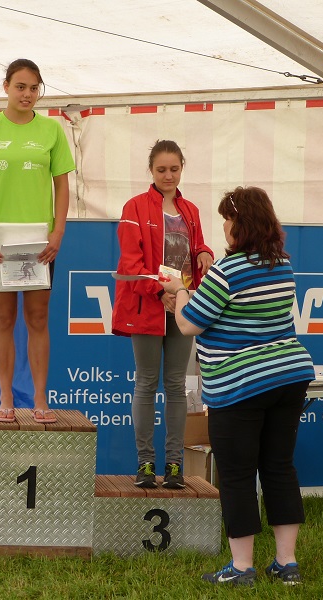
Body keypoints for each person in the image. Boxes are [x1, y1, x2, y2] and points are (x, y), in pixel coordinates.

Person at [161, 186, 315, 586]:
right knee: (280, 468)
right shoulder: (282, 264)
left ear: (239, 224)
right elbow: (243, 313)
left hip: (241, 384)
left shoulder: (226, 271)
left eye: (228, 218)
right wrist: (193, 299)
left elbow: (188, 323)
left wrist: (178, 293)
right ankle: (287, 563)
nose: (225, 225)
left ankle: (241, 568)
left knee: (237, 474)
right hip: (290, 375)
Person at [0, 58, 76, 424]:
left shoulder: (52, 131)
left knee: (38, 318)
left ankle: (40, 399)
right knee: (3, 317)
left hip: (40, 240)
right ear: (6, 87)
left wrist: (58, 231)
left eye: (34, 88)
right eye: (21, 87)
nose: (27, 94)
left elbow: (62, 185)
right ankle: (6, 398)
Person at [111, 140, 214, 489]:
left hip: (182, 306)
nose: (168, 175)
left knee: (175, 385)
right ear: (151, 171)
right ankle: (144, 464)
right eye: (161, 169)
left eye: (174, 169)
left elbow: (194, 246)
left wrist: (204, 253)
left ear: (182, 168)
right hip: (149, 305)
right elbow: (130, 264)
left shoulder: (191, 210)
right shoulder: (135, 207)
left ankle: (173, 465)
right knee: (146, 382)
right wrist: (161, 292)